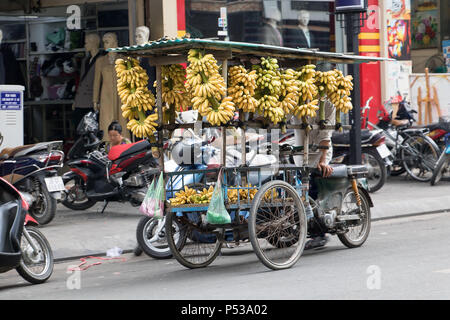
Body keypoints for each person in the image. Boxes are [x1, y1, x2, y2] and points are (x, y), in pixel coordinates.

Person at [292, 73, 335, 250]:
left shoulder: (328, 106)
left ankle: (319, 233)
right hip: (300, 155)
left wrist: (323, 161)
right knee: (296, 192)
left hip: (319, 154)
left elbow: (326, 137)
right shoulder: (294, 104)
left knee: (312, 191)